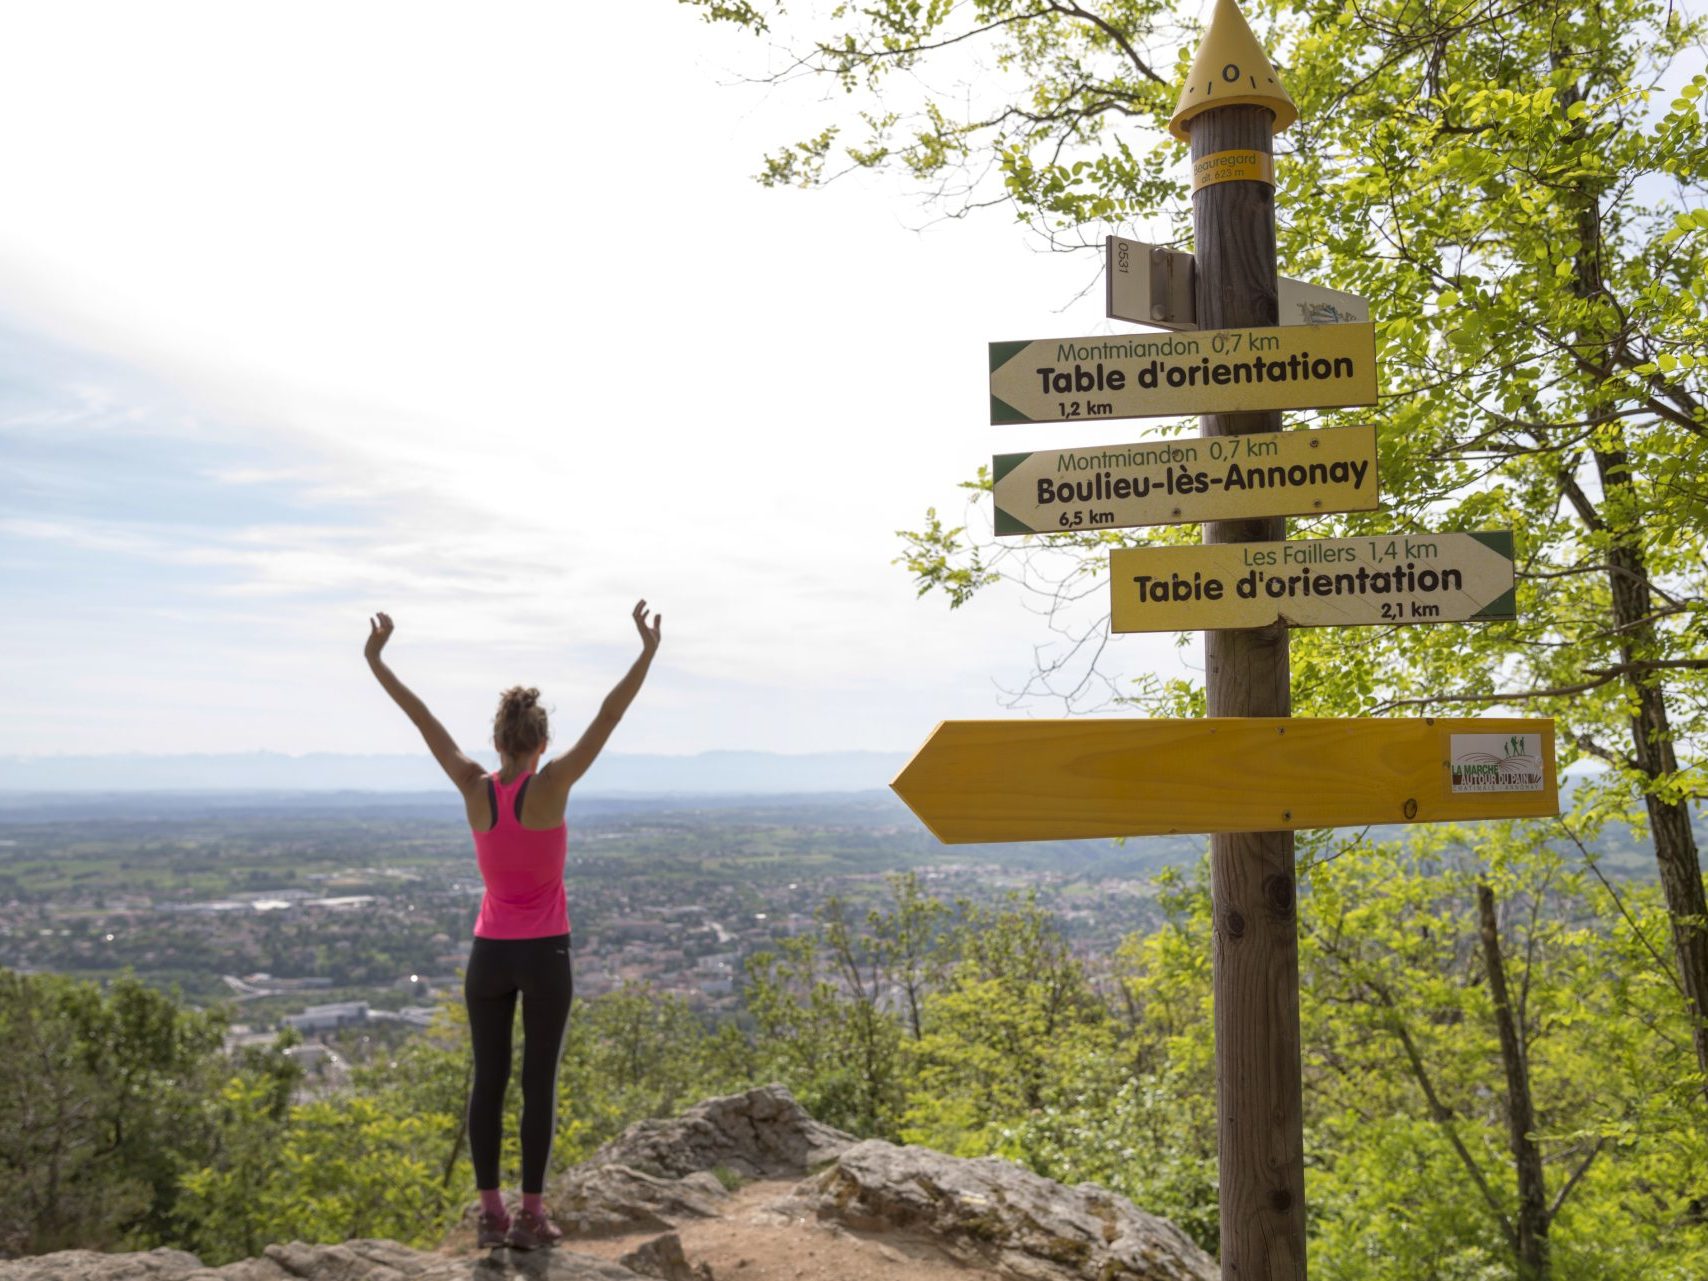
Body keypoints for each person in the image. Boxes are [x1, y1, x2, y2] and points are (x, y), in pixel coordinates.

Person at [364, 601, 663, 1250]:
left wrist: (377, 661)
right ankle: (532, 1213)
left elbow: (424, 721)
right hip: (545, 952)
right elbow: (610, 717)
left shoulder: (474, 786)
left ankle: (490, 1213)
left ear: (497, 741)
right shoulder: (552, 785)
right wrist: (646, 653)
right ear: (540, 743)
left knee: (488, 1080)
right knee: (538, 1084)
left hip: (489, 957)